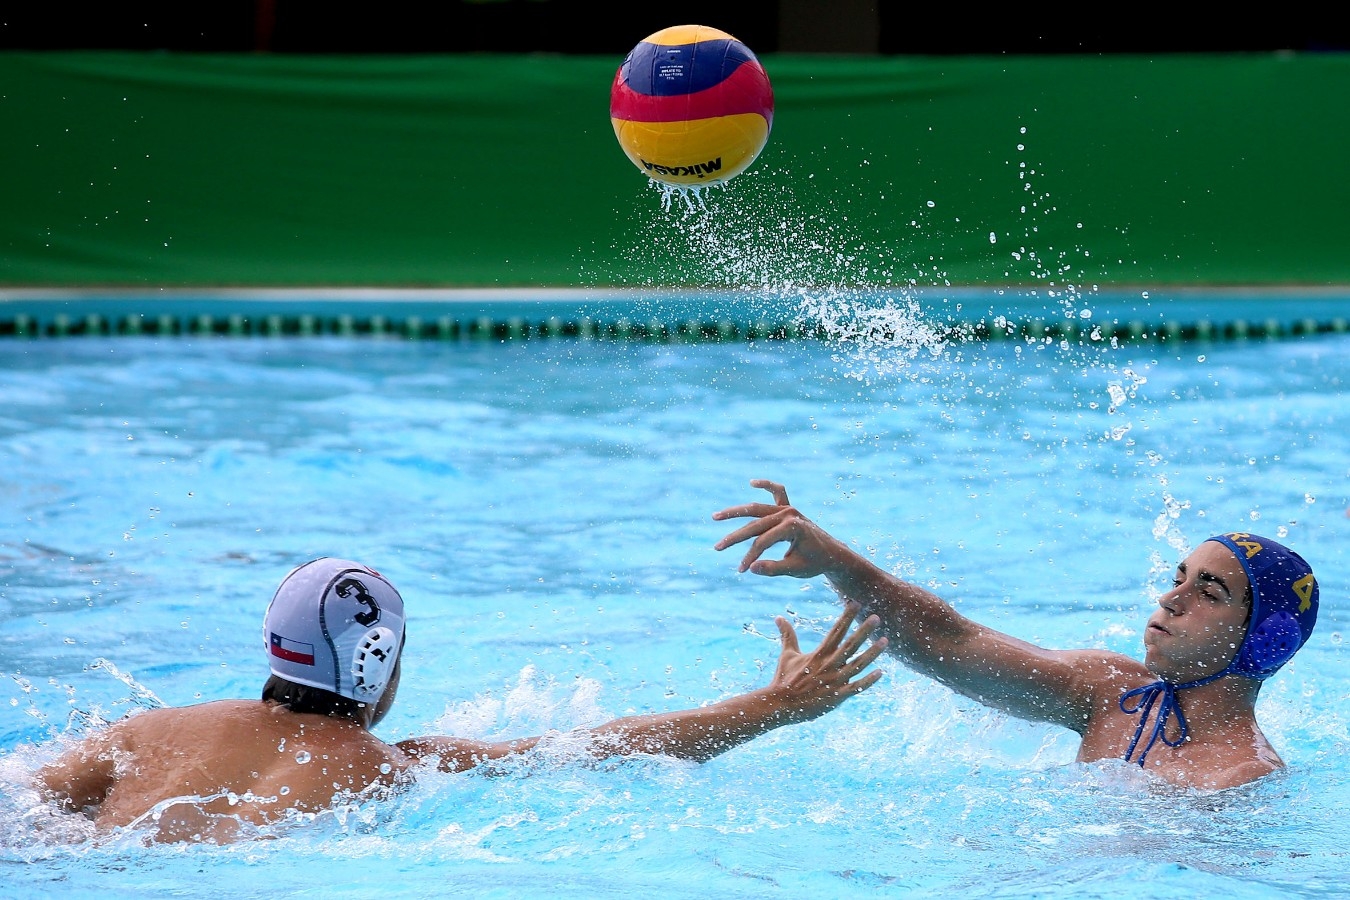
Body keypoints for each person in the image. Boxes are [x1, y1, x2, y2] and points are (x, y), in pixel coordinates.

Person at [37, 557, 886, 843]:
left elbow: (27, 807)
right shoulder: (394, 764)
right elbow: (599, 747)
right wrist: (772, 708)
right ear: (381, 667)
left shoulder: (145, 732)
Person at [713, 479, 1320, 791]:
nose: (1170, 598)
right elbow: (946, 641)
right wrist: (836, 562)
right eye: (1178, 577)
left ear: (1263, 642)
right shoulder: (1107, 690)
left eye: (1207, 593)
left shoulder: (1242, 776)